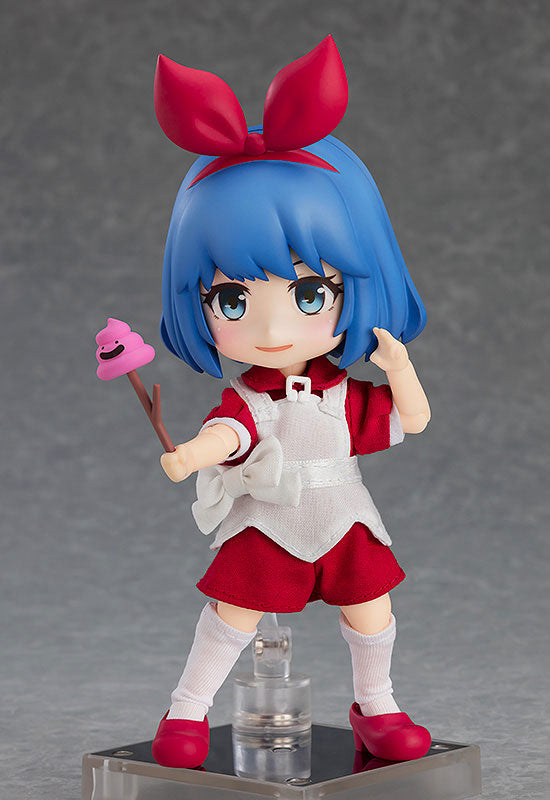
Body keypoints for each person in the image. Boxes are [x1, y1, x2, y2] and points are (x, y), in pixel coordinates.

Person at [150, 36, 432, 768]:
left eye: (310, 294)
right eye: (232, 300)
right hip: (270, 517)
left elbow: (411, 419)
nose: (272, 331)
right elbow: (231, 433)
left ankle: (378, 706)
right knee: (233, 613)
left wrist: (399, 367)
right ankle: (186, 710)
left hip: (342, 514)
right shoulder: (251, 395)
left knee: (371, 608)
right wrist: (192, 454)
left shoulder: (342, 393)